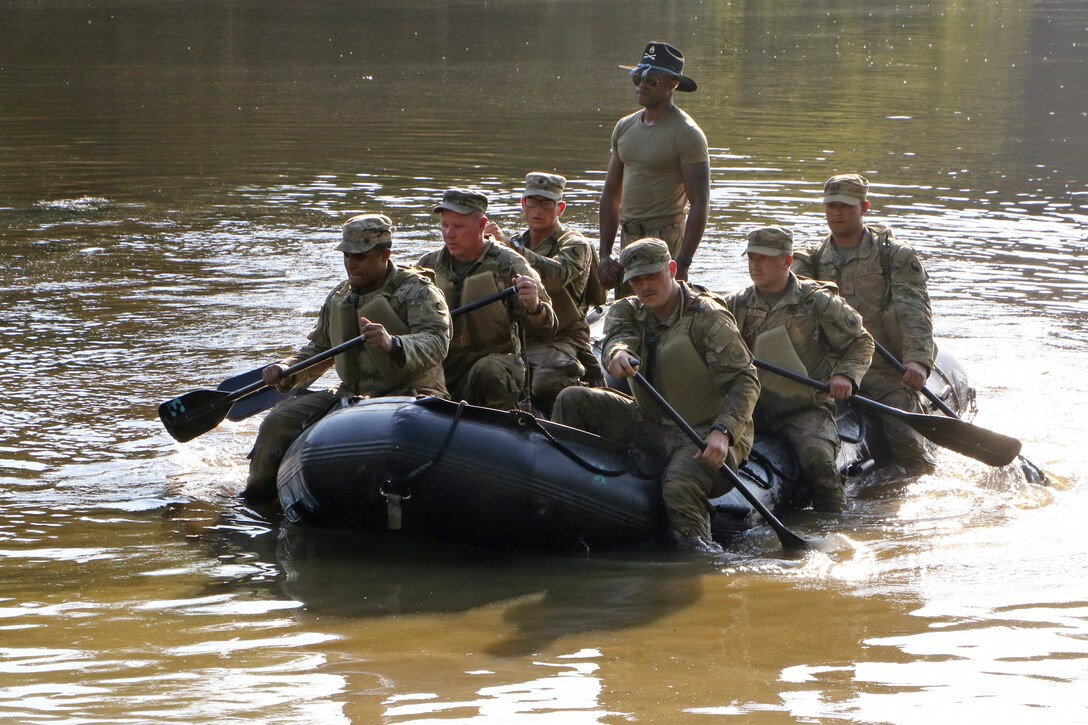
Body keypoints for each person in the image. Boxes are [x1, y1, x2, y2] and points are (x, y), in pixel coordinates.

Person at [552, 239, 759, 552]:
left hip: (703, 432)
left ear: (672, 269)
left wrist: (723, 432)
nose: (645, 286)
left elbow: (745, 380)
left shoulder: (708, 318)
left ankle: (698, 554)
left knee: (678, 484)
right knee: (572, 398)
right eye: (636, 280)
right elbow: (619, 338)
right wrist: (618, 353)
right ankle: (559, 500)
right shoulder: (628, 310)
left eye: (652, 276)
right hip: (649, 421)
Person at [244, 214, 452, 501]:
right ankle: (257, 502)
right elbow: (319, 349)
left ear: (384, 255)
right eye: (346, 255)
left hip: (411, 393)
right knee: (276, 423)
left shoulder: (417, 290)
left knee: (399, 436)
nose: (351, 263)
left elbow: (437, 340)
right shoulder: (339, 296)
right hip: (352, 394)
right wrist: (287, 369)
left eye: (361, 256)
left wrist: (394, 344)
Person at [792, 174, 937, 472]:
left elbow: (914, 309)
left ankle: (921, 475)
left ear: (864, 207)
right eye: (830, 206)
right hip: (833, 371)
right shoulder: (814, 260)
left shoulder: (893, 255)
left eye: (845, 206)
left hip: (885, 370)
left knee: (904, 438)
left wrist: (917, 362)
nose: (836, 213)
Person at [722, 227, 874, 511]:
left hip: (803, 408)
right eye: (752, 257)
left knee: (819, 461)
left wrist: (845, 375)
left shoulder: (817, 302)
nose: (755, 265)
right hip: (750, 407)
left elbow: (862, 342)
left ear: (786, 261)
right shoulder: (735, 304)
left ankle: (833, 520)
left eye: (764, 258)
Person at [418, 188, 558, 410]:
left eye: (458, 226)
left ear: (482, 225)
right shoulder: (428, 266)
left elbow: (547, 328)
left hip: (494, 369)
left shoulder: (510, 264)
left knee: (490, 370)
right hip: (443, 372)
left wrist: (534, 306)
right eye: (445, 225)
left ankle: (504, 427)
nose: (449, 234)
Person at [598, 41, 710, 295]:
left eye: (651, 79)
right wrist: (605, 255)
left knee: (663, 313)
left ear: (674, 83)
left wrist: (683, 262)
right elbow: (611, 194)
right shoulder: (624, 127)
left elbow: (700, 202)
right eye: (638, 76)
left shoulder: (687, 134)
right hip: (629, 238)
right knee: (628, 311)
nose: (642, 84)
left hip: (666, 239)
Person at [484, 172, 602, 413]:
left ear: (560, 208)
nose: (539, 210)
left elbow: (556, 276)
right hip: (522, 335)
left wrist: (511, 249)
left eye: (547, 203)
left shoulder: (574, 243)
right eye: (533, 202)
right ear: (523, 204)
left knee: (544, 382)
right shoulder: (515, 242)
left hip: (564, 336)